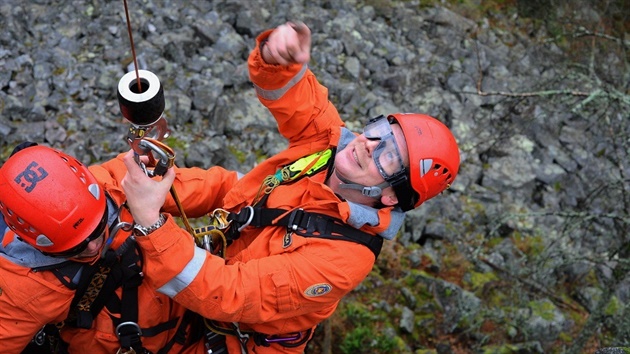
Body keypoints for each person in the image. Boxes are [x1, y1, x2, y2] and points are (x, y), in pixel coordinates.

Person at [120, 21, 460, 353]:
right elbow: (290, 90)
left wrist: (151, 221)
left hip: (234, 336)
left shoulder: (343, 260)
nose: (370, 145)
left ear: (389, 196)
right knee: (117, 186)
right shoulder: (328, 144)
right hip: (219, 259)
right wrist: (277, 56)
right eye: (380, 132)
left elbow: (229, 293)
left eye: (390, 157)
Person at [0, 142, 238, 353]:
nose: (93, 247)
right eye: (76, 248)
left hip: (196, 317)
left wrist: (264, 191)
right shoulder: (24, 286)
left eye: (99, 228)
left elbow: (214, 188)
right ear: (35, 243)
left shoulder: (122, 184)